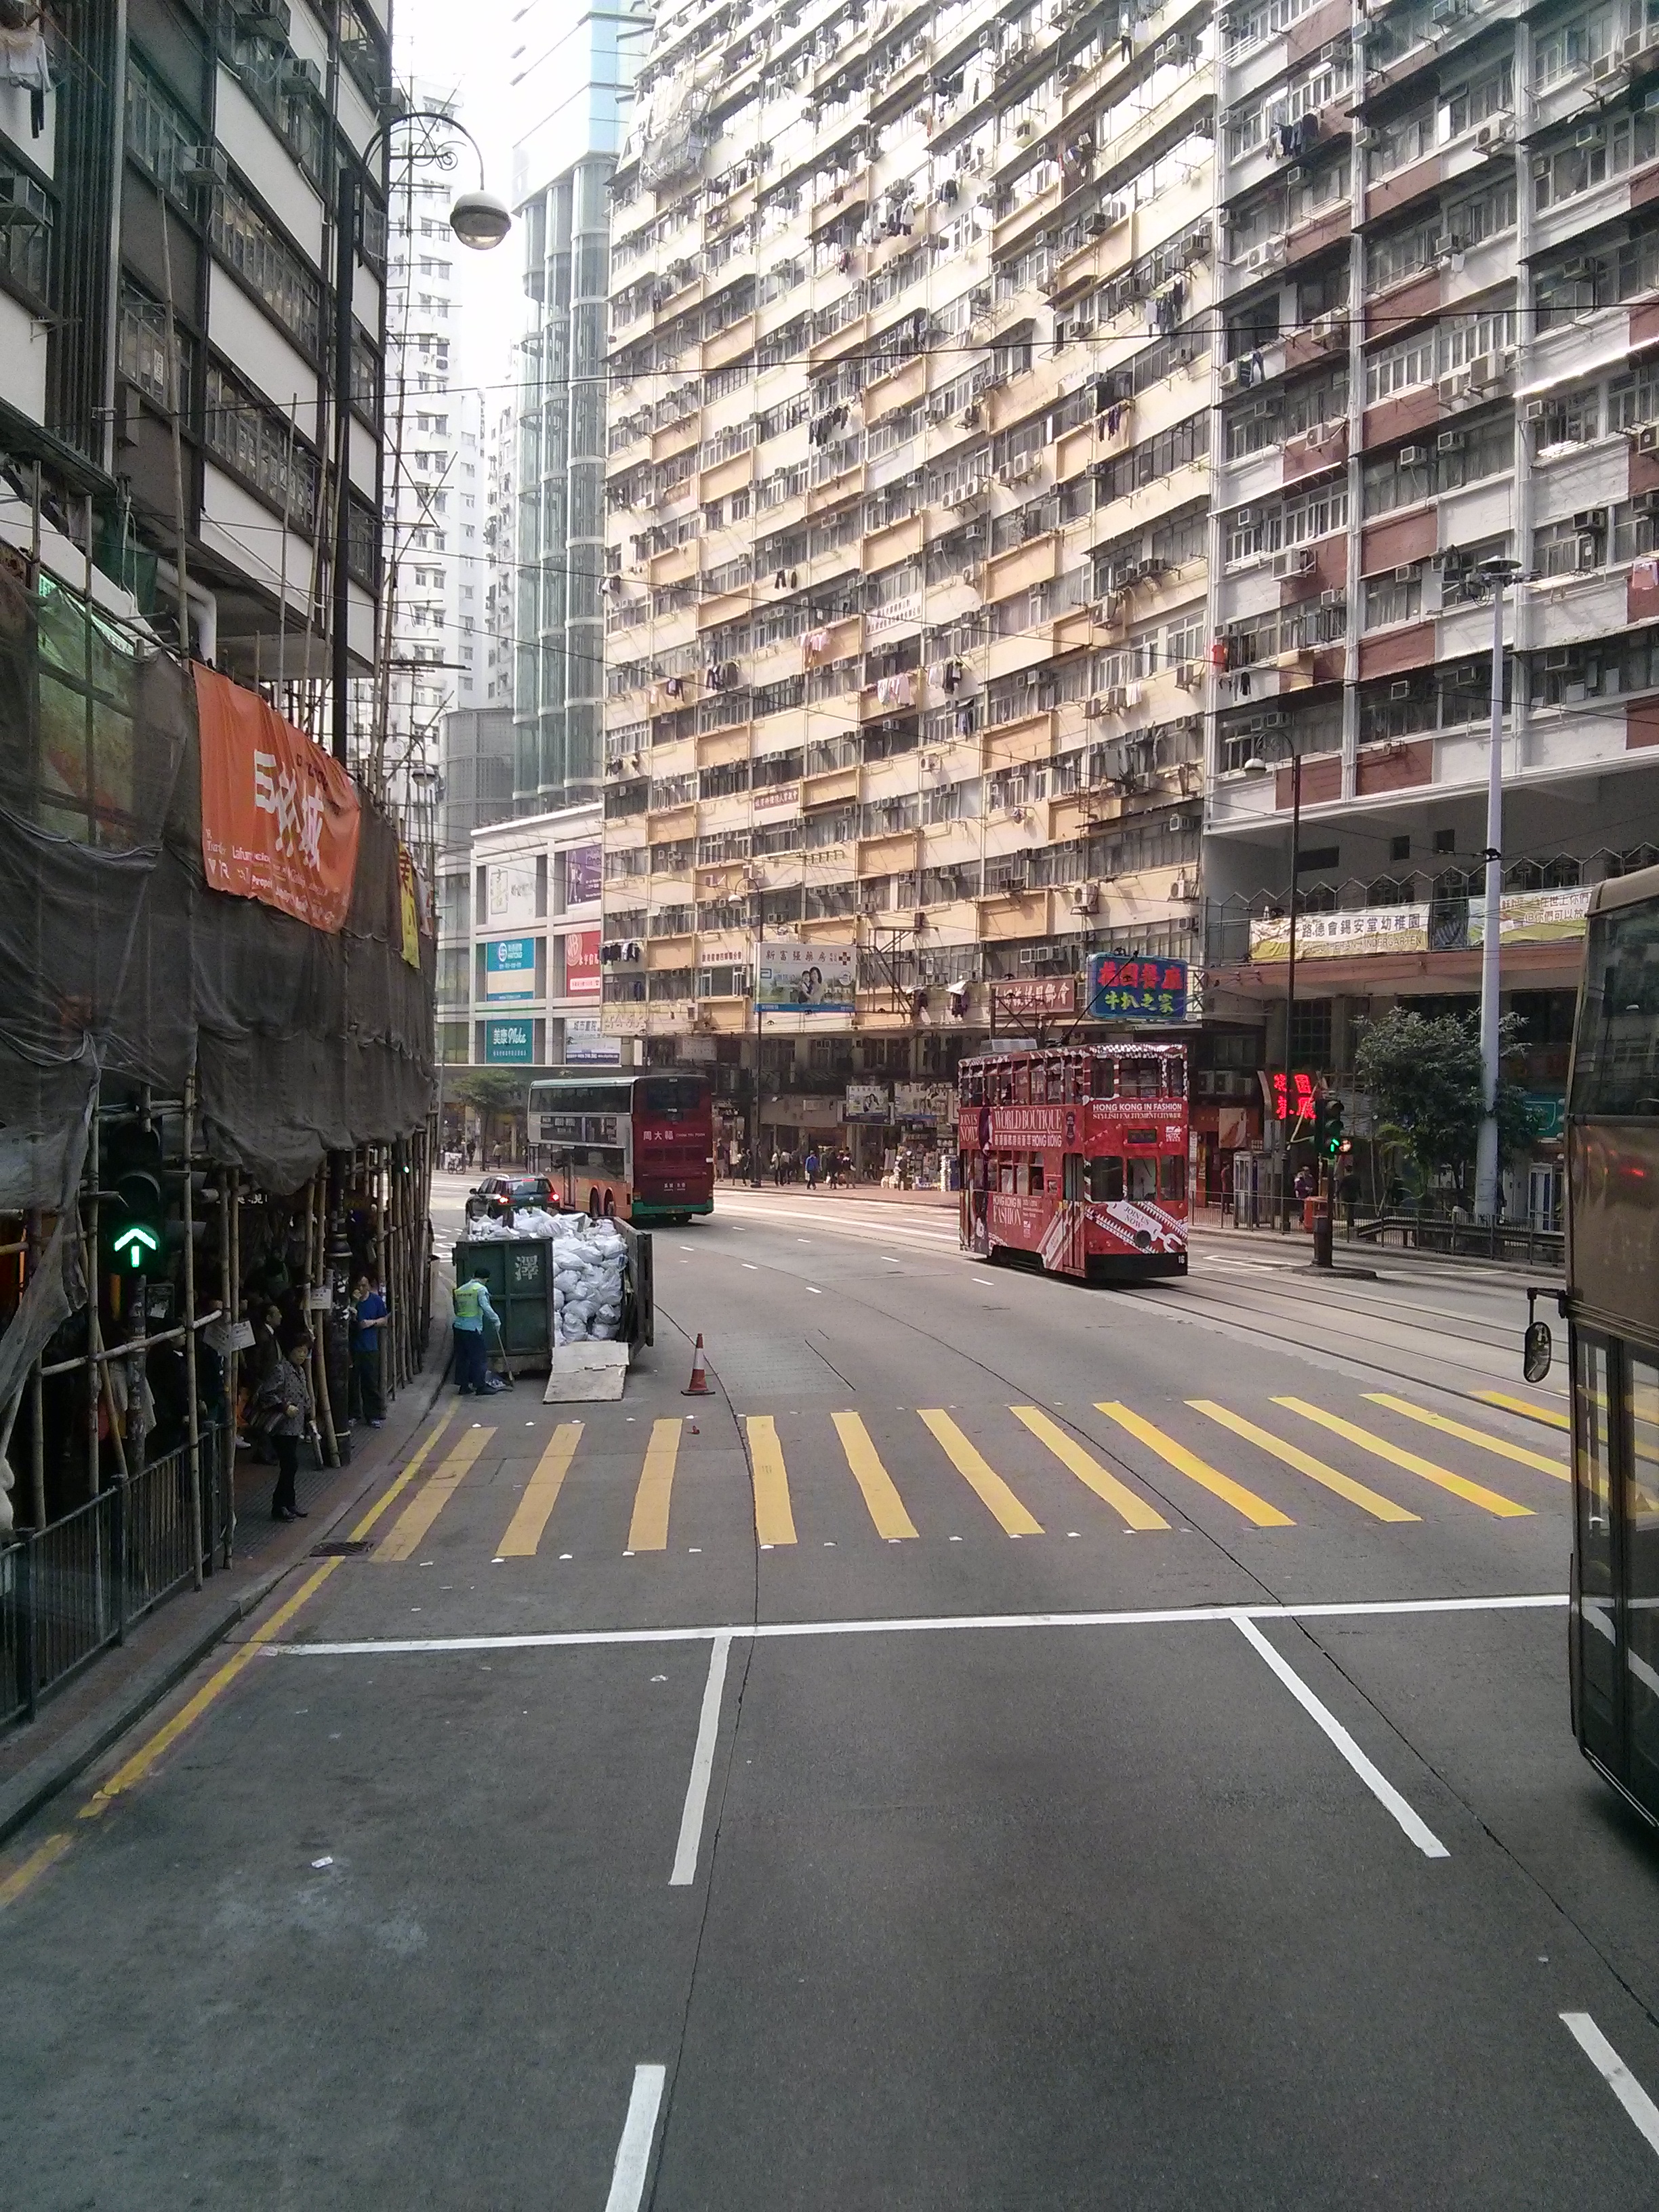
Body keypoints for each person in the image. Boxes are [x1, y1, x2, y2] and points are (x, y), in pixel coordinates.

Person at [255, 1328, 313, 1522]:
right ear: (290, 1351)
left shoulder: (300, 1371)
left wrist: (308, 1415)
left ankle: (290, 1503)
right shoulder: (281, 1370)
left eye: (305, 1351)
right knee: (290, 1465)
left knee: (291, 1466)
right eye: (299, 1351)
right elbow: (266, 1393)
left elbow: (304, 1395)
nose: (302, 1355)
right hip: (282, 1427)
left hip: (295, 1426)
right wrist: (284, 1407)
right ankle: (279, 1506)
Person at [453, 1270, 502, 1396]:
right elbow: (485, 1307)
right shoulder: (480, 1289)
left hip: (458, 1327)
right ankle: (480, 1387)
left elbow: (456, 1308)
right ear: (485, 1279)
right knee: (479, 1358)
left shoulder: (461, 1289)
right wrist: (496, 1320)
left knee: (463, 1358)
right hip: (472, 1328)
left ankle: (464, 1387)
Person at [350, 1273, 388, 1427]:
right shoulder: (352, 1301)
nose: (361, 1289)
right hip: (353, 1348)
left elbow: (384, 1319)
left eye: (364, 1285)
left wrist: (371, 1322)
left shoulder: (375, 1300)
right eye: (358, 1286)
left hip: (370, 1348)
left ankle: (373, 1415)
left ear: (369, 1286)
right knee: (353, 1383)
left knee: (370, 1383)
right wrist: (353, 1304)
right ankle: (354, 1414)